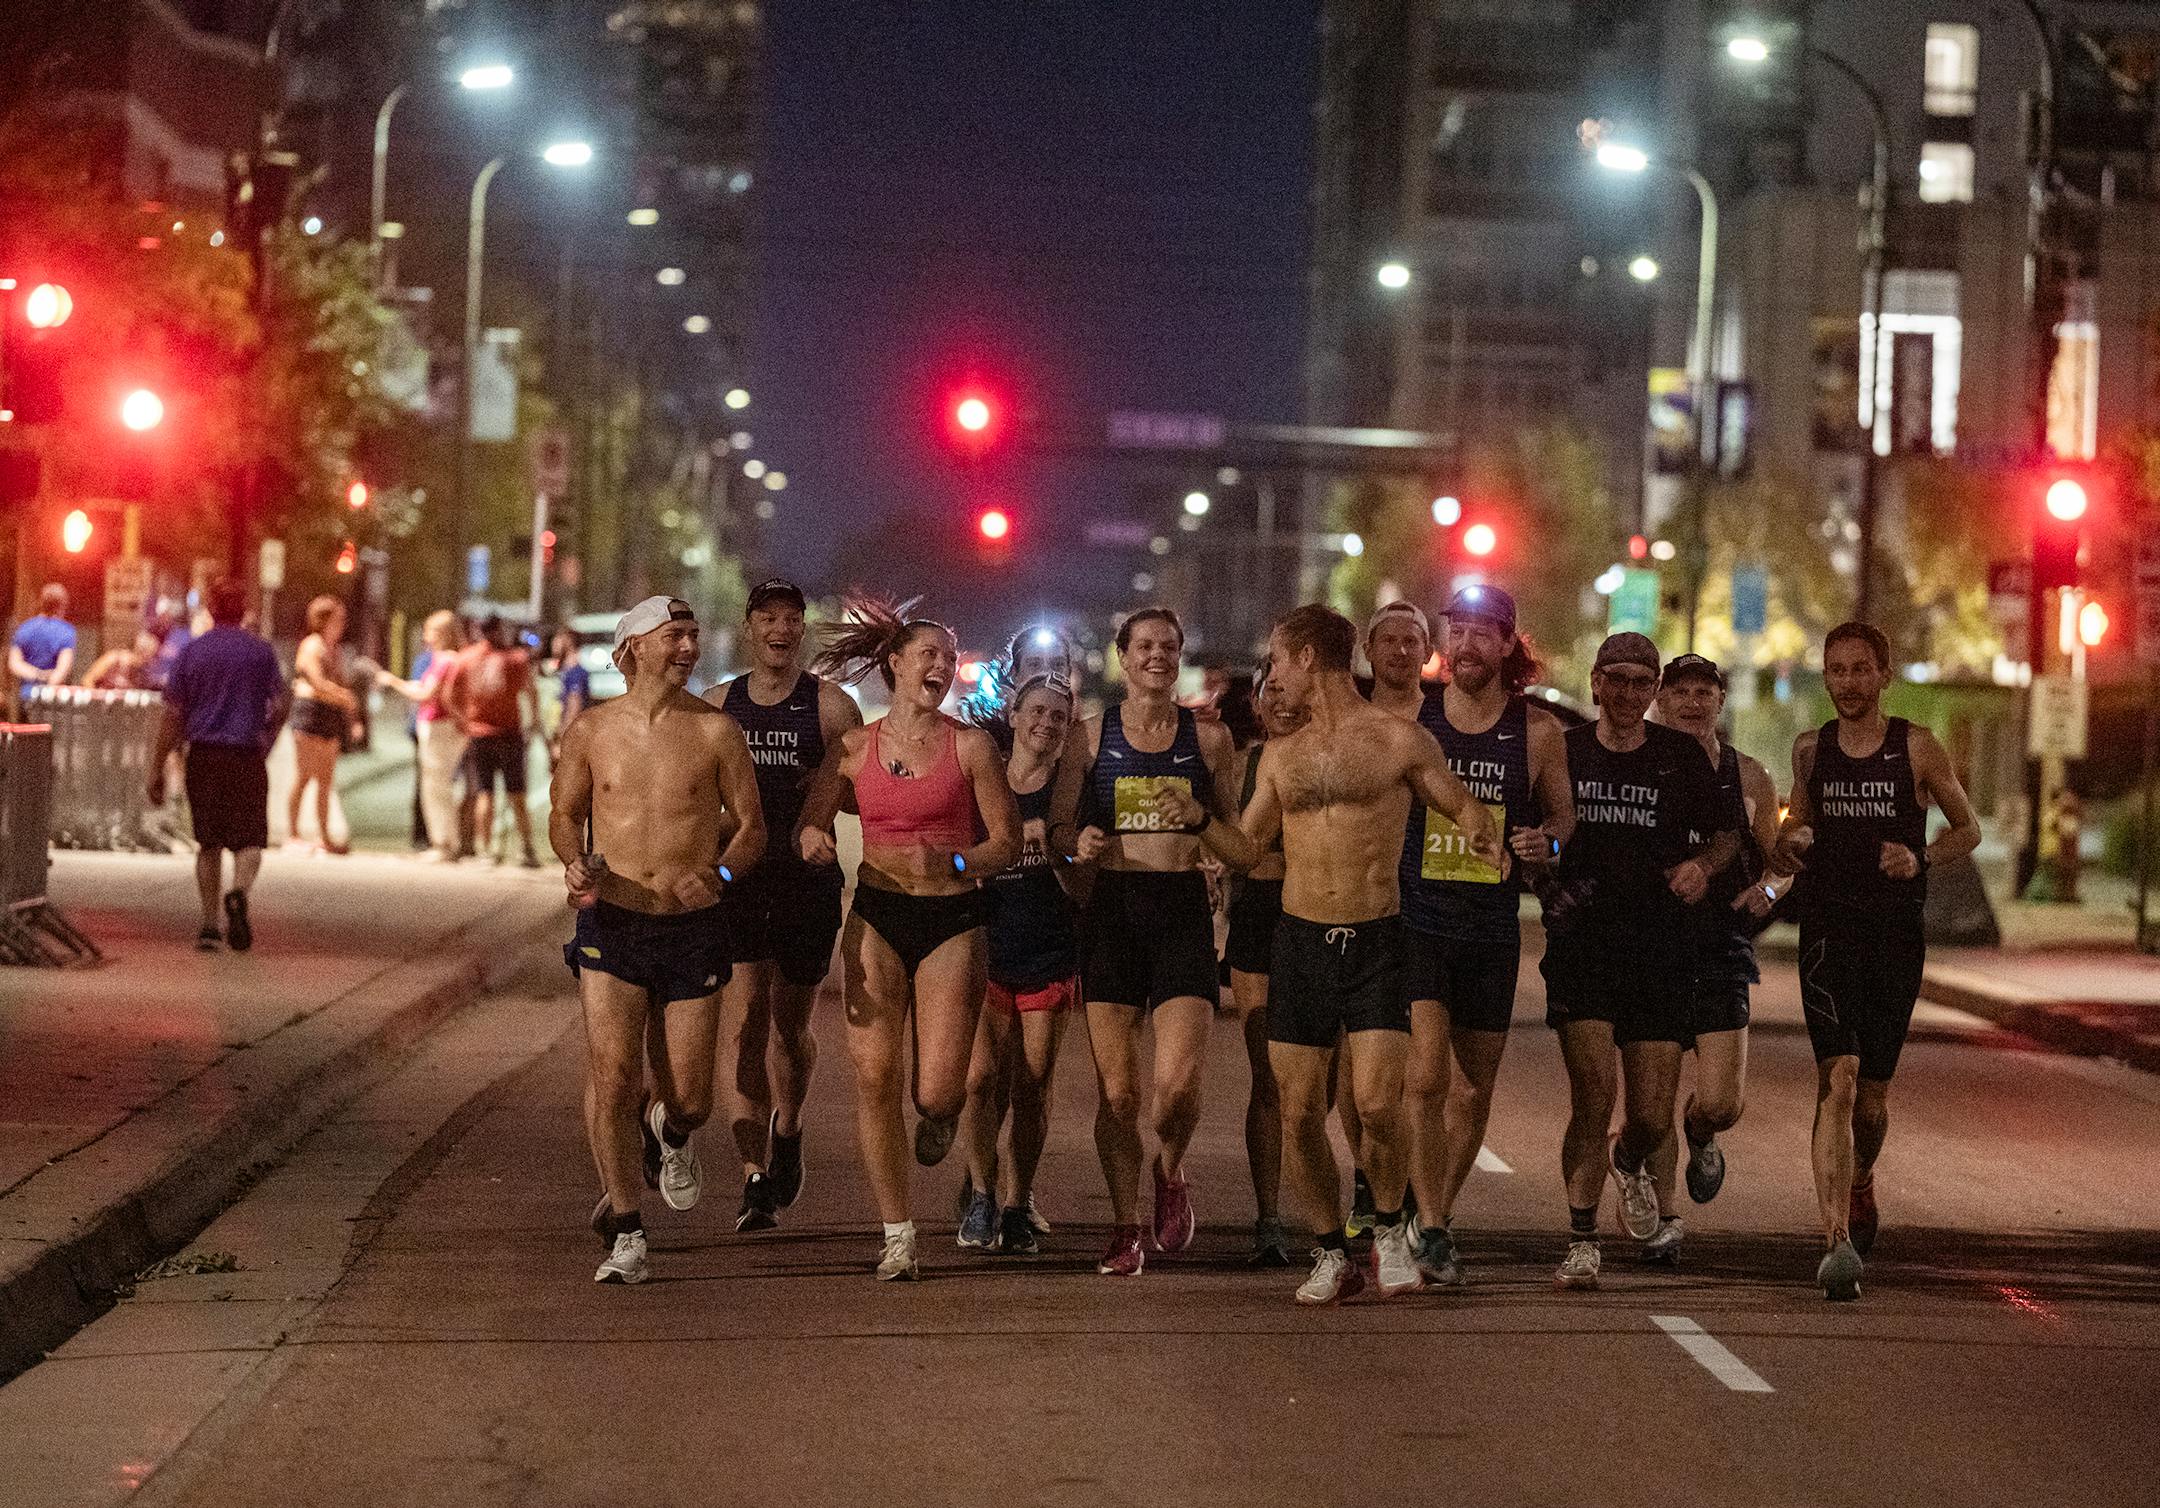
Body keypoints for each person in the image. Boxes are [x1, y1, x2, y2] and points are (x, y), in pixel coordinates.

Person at [1162, 604, 1501, 1304]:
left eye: (1281, 657)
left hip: (1379, 940)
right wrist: (1198, 820)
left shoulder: (1398, 740)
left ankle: (1385, 1231)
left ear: (1309, 657)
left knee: (1379, 1105)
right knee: (1298, 1111)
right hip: (1301, 943)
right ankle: (1328, 1250)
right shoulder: (1283, 756)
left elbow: (1458, 801)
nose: (1276, 672)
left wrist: (1478, 830)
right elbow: (1249, 850)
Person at [796, 598, 1020, 1281]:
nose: (943, 668)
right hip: (878, 915)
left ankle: (942, 1116)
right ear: (895, 663)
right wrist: (813, 839)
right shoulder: (854, 748)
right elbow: (813, 821)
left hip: (953, 920)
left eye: (950, 659)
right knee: (874, 1078)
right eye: (930, 655)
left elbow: (1006, 845)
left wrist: (953, 861)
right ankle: (898, 1234)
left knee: (938, 1094)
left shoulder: (971, 747)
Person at [550, 597, 767, 1286]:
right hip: (613, 921)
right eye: (674, 635)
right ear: (634, 647)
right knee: (612, 1076)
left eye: (693, 636)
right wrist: (573, 861)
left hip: (691, 927)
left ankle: (670, 1134)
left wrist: (723, 873)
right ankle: (627, 1225)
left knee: (694, 1099)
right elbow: (564, 815)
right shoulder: (591, 730)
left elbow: (753, 827)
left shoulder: (716, 732)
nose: (688, 647)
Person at [1367, 590, 1573, 1287]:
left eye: (1483, 633)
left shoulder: (1537, 731)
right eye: (1457, 630)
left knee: (1472, 1094)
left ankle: (1436, 1220)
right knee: (1425, 1080)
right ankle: (1432, 1222)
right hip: (1418, 919)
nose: (1466, 644)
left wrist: (1541, 840)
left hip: (1490, 929)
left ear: (1509, 644)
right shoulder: (1409, 716)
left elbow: (1563, 820)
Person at [1777, 621, 1978, 1301]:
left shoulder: (1916, 747)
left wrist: (1919, 856)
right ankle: (1834, 1238)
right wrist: (1794, 836)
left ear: (1884, 675)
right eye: (1836, 670)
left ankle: (1861, 1180)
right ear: (1825, 676)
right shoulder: (1811, 750)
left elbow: (1967, 827)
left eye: (1861, 669)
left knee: (1871, 1101)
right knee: (1837, 1078)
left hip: (1894, 939)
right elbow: (1792, 828)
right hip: (1828, 933)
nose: (1848, 683)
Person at [1541, 632, 1739, 1292]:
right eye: (1615, 679)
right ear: (1594, 682)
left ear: (1652, 692)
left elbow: (1728, 832)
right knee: (1593, 1096)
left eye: (1639, 682)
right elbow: (1532, 828)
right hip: (1584, 947)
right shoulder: (1563, 752)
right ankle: (1580, 1239)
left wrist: (1702, 867)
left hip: (1660, 950)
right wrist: (1543, 868)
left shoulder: (1680, 756)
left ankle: (1629, 1160)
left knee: (1652, 1117)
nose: (1626, 694)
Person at [1058, 606, 1240, 1277]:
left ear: (1180, 654)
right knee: (1119, 1096)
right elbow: (1057, 829)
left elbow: (1232, 829)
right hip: (1113, 912)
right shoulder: (1089, 736)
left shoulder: (1211, 740)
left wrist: (1213, 847)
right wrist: (1075, 843)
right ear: (1123, 656)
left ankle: (1171, 1167)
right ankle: (1124, 1226)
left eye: (1168, 645)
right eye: (1144, 646)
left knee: (1177, 1092)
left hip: (1181, 912)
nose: (1157, 656)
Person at [706, 578, 863, 1232]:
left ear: (803, 628)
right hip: (741, 879)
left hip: (804, 882)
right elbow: (695, 795)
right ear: (750, 626)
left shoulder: (830, 707)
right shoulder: (720, 706)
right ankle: (753, 1178)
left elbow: (862, 796)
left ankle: (790, 1129)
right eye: (768, 617)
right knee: (744, 1024)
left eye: (791, 618)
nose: (780, 629)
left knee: (790, 1031)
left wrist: (824, 793)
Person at [1641, 653, 1784, 1261]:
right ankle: (1666, 1217)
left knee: (1722, 1102)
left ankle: (1700, 1134)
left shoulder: (1748, 776)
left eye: (1705, 691)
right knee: (1651, 1106)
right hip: (1651, 946)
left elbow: (1782, 862)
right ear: (1661, 700)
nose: (1693, 702)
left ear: (1720, 702)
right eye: (1681, 692)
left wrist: (1769, 890)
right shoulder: (1641, 768)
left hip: (1720, 946)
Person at [957, 672, 1082, 1255]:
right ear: (1012, 714)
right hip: (984, 948)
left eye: (1057, 716)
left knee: (1032, 1085)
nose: (1045, 723)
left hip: (1049, 949)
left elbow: (1084, 880)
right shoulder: (984, 777)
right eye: (1035, 711)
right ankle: (980, 1192)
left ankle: (1017, 1200)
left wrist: (1063, 850)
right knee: (981, 1079)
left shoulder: (1068, 790)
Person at [1219, 664, 1305, 1268]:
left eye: (1287, 689)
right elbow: (1224, 842)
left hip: (1323, 922)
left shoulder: (1332, 761)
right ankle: (1269, 1216)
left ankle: (1354, 1199)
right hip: (1259, 923)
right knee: (1267, 1077)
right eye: (1267, 690)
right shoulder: (1239, 766)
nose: (1279, 700)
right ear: (1254, 702)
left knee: (1324, 1084)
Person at [147, 578, 286, 951]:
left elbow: (173, 714)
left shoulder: (192, 653)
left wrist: (157, 766)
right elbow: (283, 702)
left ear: (210, 609)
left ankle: (209, 925)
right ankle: (238, 892)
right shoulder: (260, 652)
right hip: (246, 754)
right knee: (250, 840)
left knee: (208, 843)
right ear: (243, 611)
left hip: (204, 755)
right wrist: (267, 738)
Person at [375, 612, 468, 862]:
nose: (426, 637)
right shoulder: (452, 659)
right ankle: (446, 841)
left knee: (436, 787)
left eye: (430, 631)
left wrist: (392, 682)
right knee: (439, 786)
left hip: (439, 726)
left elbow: (427, 693)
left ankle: (444, 843)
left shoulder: (444, 660)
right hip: (443, 727)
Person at [462, 615, 541, 867]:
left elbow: (452, 691)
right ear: (498, 631)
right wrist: (535, 721)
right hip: (508, 733)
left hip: (478, 733)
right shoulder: (516, 659)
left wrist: (463, 720)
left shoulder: (468, 658)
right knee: (516, 793)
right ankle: (526, 848)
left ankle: (485, 850)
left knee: (485, 793)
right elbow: (530, 690)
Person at [287, 596, 364, 854]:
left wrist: (349, 711)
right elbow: (316, 682)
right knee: (304, 774)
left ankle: (324, 835)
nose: (342, 624)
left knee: (325, 779)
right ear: (323, 620)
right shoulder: (312, 646)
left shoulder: (336, 649)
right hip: (310, 712)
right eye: (337, 619)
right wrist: (343, 697)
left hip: (330, 713)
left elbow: (341, 683)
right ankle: (293, 833)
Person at [10, 583, 77, 705]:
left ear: (41, 602)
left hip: (26, 696)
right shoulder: (66, 631)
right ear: (62, 605)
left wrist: (38, 675)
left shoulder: (24, 628)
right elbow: (63, 668)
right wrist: (49, 684)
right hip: (52, 700)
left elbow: (14, 663)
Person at [550, 627, 591, 754]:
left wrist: (562, 739)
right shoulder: (564, 672)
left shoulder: (575, 673)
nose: (553, 644)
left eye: (557, 639)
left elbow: (574, 706)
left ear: (568, 641)